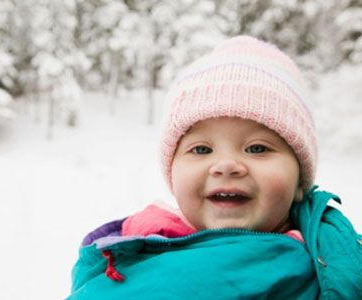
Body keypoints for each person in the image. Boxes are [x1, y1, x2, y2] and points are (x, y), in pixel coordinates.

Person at [67, 36, 362, 299]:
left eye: (257, 148)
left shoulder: (338, 263)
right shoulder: (126, 254)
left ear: (300, 181)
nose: (226, 165)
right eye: (202, 149)